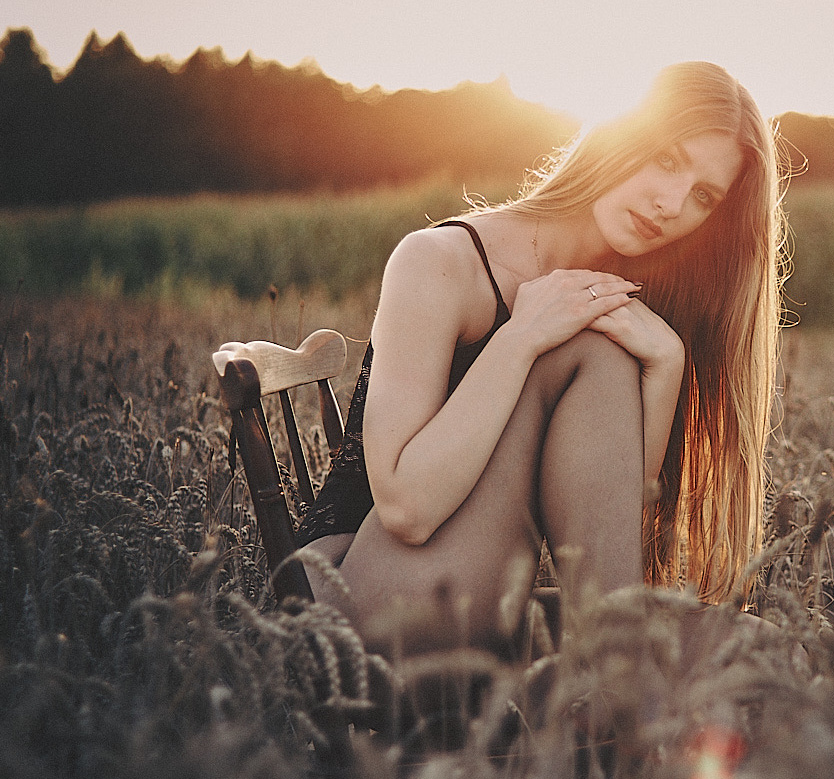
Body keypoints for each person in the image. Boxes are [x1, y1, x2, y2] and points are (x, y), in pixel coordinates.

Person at [299, 62, 788, 658]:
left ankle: (613, 671)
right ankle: (617, 674)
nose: (670, 203)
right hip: (363, 599)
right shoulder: (440, 262)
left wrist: (667, 365)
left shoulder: (621, 305)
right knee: (587, 344)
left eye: (703, 196)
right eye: (666, 159)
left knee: (766, 653)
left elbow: (604, 540)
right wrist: (520, 338)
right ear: (620, 131)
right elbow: (405, 508)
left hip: (499, 605)